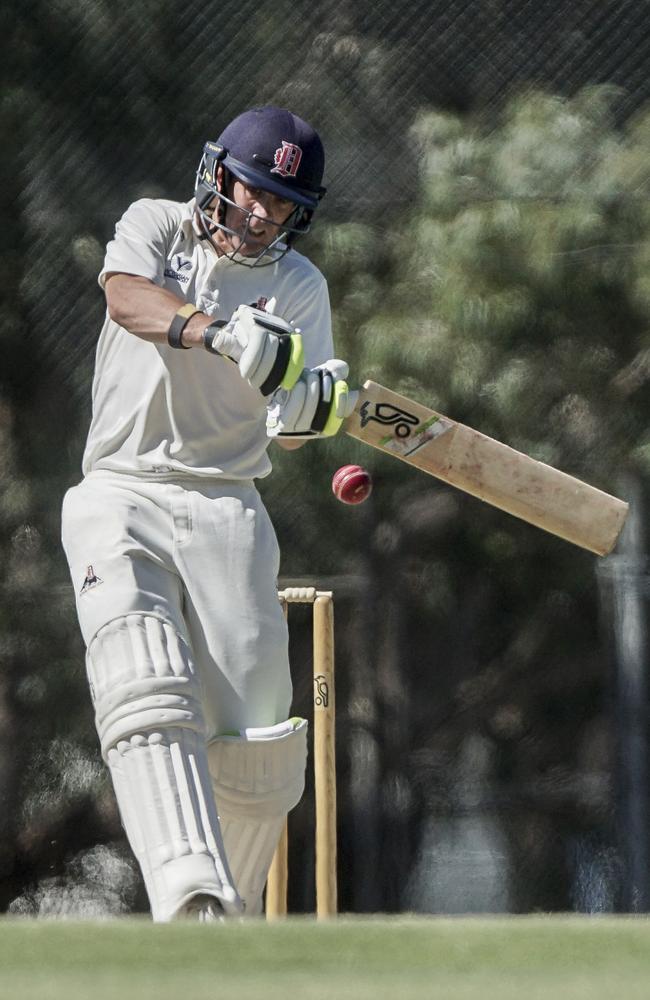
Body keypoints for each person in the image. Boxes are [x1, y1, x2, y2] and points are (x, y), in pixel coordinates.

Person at [61, 106, 356, 921]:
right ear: (219, 175)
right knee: (143, 674)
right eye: (251, 191)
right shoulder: (156, 225)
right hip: (120, 487)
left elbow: (296, 420)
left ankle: (218, 932)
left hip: (228, 503)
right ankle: (188, 884)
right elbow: (125, 297)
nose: (260, 214)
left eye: (281, 203)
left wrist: (307, 413)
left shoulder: (300, 287)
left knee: (261, 747)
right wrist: (213, 332)